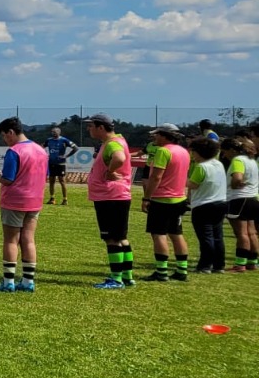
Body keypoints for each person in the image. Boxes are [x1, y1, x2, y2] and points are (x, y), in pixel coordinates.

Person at [0, 118, 46, 292]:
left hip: (15, 200)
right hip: (35, 200)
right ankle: (28, 281)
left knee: (11, 240)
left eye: (4, 136)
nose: (5, 140)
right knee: (29, 239)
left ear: (10, 132)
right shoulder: (40, 150)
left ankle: (8, 282)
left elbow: (8, 179)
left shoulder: (14, 151)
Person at [85, 114, 136, 289]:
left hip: (109, 197)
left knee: (112, 239)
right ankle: (127, 276)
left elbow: (119, 158)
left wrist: (109, 171)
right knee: (122, 237)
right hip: (119, 195)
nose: (88, 129)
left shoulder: (112, 143)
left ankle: (116, 279)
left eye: (91, 126)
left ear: (101, 127)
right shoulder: (118, 140)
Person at [142, 125, 190, 282]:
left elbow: (156, 177)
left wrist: (147, 198)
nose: (154, 138)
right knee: (176, 233)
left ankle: (161, 272)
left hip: (162, 199)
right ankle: (182, 270)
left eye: (156, 135)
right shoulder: (184, 151)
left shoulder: (163, 151)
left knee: (159, 234)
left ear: (165, 136)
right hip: (179, 198)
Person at [186, 137, 228, 273]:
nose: (192, 155)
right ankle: (219, 265)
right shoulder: (218, 164)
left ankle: (205, 265)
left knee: (206, 237)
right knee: (218, 236)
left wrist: (182, 178)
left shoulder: (201, 167)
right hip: (221, 202)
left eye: (193, 152)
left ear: (199, 152)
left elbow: (193, 185)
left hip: (203, 205)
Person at [222, 136, 258, 272]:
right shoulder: (251, 160)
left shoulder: (238, 160)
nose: (224, 155)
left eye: (225, 152)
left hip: (239, 199)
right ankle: (252, 262)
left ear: (232, 150)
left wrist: (233, 184)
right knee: (252, 232)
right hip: (253, 198)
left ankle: (240, 264)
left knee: (241, 233)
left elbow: (237, 177)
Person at [45, 127, 78, 205]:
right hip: (51, 163)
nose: (53, 133)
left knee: (62, 181)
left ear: (59, 132)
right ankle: (52, 198)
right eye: (52, 132)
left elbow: (75, 148)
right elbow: (41, 146)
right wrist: (44, 155)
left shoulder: (64, 140)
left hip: (60, 163)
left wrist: (66, 156)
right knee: (51, 181)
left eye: (55, 132)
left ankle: (65, 199)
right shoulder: (49, 140)